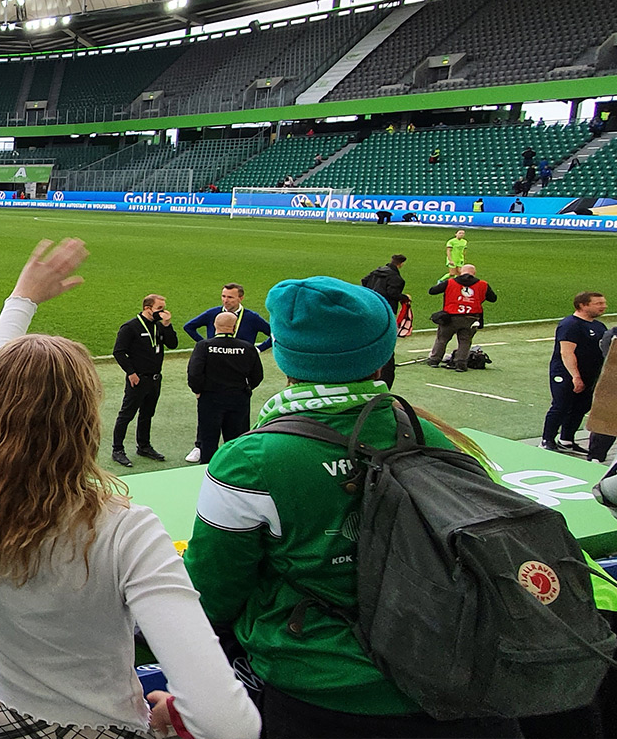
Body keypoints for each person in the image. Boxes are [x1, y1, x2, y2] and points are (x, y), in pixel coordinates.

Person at [0, 238, 261, 739]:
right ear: (86, 420)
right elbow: (229, 723)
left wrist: (22, 300)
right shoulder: (128, 532)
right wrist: (178, 716)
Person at [183, 277, 520, 738]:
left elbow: (214, 588)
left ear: (284, 353)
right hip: (450, 673)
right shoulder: (433, 432)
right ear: (381, 352)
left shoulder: (250, 459)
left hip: (319, 689)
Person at [185, 311, 265, 464]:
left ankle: (206, 475)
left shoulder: (204, 346)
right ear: (234, 328)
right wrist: (246, 389)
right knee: (236, 442)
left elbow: (194, 373)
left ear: (215, 325)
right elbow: (257, 376)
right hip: (238, 399)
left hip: (210, 399)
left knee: (208, 441)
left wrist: (198, 390)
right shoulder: (247, 348)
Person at [110, 294, 178, 467]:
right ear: (148, 308)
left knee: (147, 413)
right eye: (159, 309)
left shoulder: (159, 326)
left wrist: (167, 325)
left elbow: (173, 344)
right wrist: (131, 373)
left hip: (155, 378)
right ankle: (117, 449)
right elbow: (119, 352)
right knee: (127, 414)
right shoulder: (130, 327)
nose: (163, 312)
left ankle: (144, 446)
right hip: (138, 379)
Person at [543, 291, 609, 454]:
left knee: (581, 406)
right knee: (561, 406)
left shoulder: (599, 326)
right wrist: (575, 376)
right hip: (566, 374)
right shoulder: (570, 325)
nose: (603, 306)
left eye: (603, 303)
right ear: (582, 305)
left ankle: (566, 440)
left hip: (590, 375)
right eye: (598, 303)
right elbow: (566, 352)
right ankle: (547, 440)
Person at [426, 265, 496, 372]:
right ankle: (461, 364)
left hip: (450, 317)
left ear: (461, 272)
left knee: (442, 339)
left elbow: (432, 291)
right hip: (471, 318)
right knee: (465, 341)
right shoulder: (483, 284)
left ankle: (434, 360)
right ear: (474, 273)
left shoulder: (450, 282)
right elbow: (493, 298)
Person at [361, 255, 409, 389]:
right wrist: (404, 297)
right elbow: (392, 293)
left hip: (371, 305)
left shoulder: (377, 271)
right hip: (385, 309)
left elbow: (364, 281)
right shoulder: (396, 278)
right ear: (401, 264)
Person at [183, 283, 272, 351]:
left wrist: (258, 349)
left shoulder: (252, 318)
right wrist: (205, 344)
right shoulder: (212, 313)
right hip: (216, 359)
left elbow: (275, 334)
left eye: (230, 297)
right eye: (223, 296)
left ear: (241, 298)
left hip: (242, 361)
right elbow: (188, 327)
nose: (225, 301)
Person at [586, 324, 617, 463]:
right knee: (606, 421)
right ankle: (596, 457)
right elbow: (610, 359)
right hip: (612, 388)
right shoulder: (612, 336)